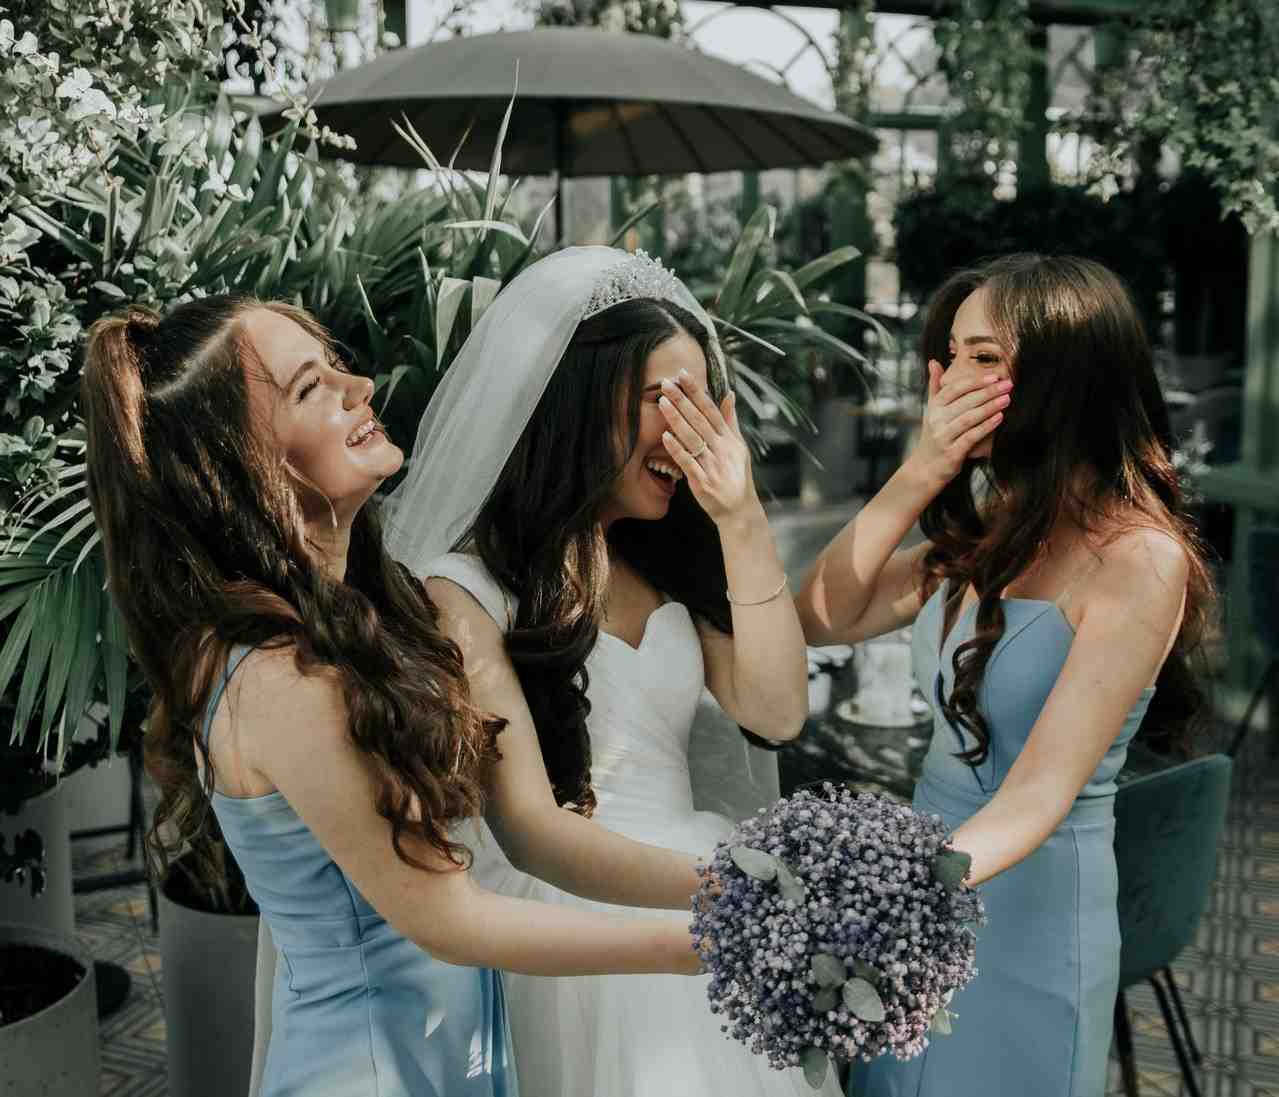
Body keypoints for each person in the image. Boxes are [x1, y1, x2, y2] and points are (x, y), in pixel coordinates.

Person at [81, 294, 718, 1097]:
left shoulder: (360, 615)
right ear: (239, 460)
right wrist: (701, 941)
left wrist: (724, 881)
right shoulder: (282, 676)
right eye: (311, 388)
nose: (363, 385)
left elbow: (521, 831)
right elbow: (450, 919)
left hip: (440, 1053)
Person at [385, 246, 833, 1097]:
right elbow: (528, 827)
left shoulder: (668, 557)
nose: (686, 427)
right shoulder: (468, 587)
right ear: (581, 405)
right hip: (574, 909)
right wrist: (728, 893)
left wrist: (739, 520)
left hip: (702, 870)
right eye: (663, 399)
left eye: (701, 400)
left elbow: (776, 715)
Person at [796, 254, 1214, 1097]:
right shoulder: (989, 527)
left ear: (1064, 374)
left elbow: (1035, 795)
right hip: (927, 879)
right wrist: (918, 473)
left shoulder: (1139, 559)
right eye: (948, 357)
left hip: (1029, 905)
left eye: (983, 357)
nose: (951, 381)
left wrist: (886, 890)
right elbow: (823, 615)